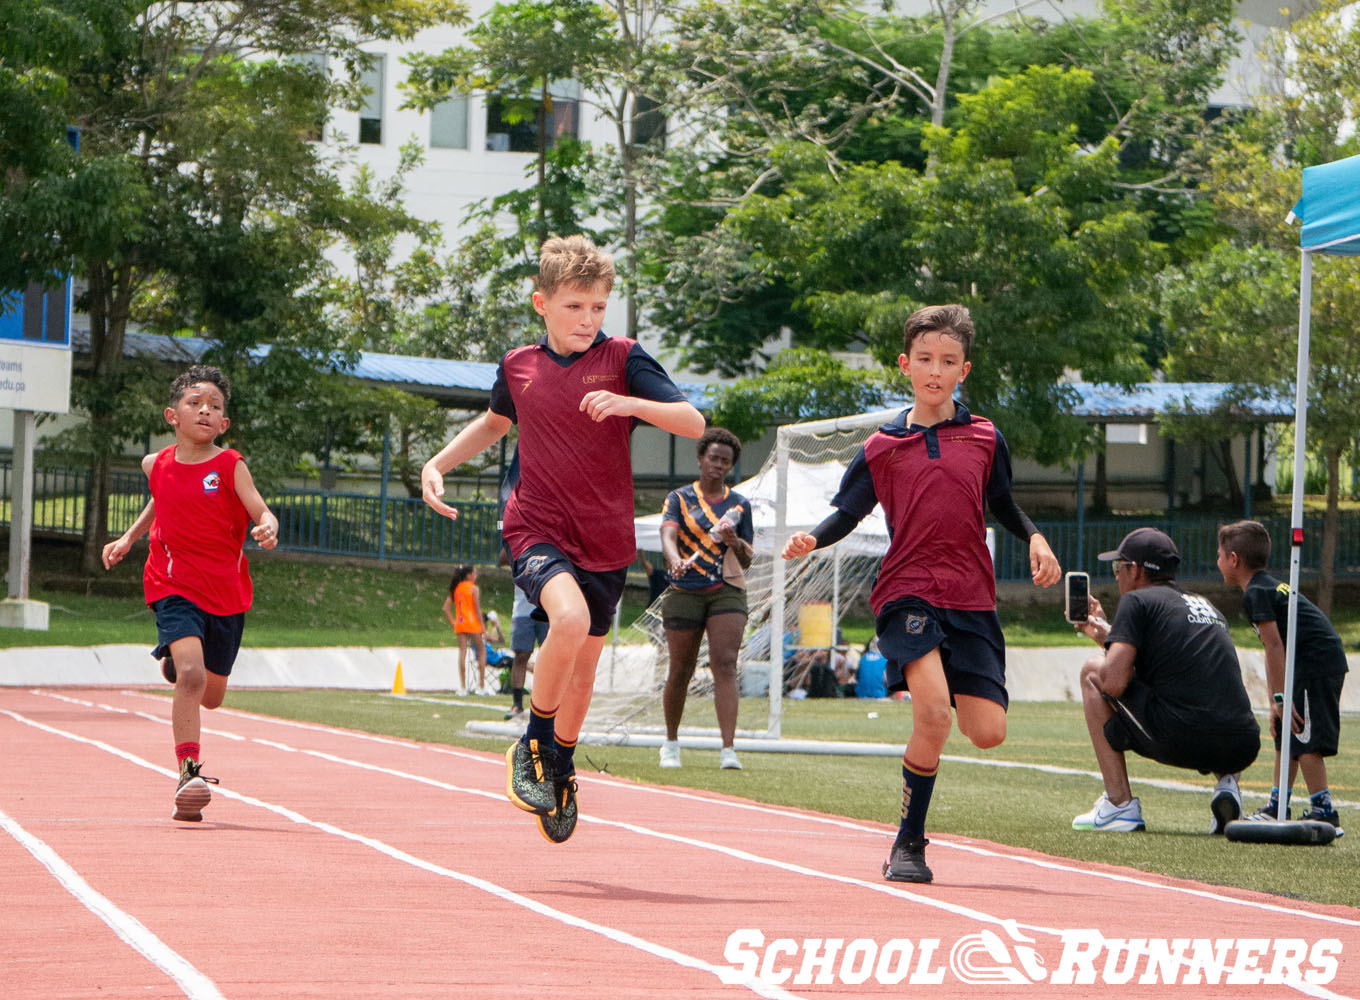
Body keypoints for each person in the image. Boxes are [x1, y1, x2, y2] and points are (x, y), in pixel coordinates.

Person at [421, 235, 705, 844]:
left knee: (582, 671)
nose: (588, 320)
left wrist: (629, 401)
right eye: (575, 307)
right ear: (541, 303)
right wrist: (438, 463)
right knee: (567, 622)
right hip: (536, 524)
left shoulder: (625, 358)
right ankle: (532, 745)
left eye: (599, 308)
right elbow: (497, 422)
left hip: (604, 537)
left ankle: (561, 769)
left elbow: (693, 421)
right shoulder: (518, 365)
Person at [782, 304, 1061, 884]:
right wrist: (813, 538)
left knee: (987, 733)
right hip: (907, 591)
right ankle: (909, 843)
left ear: (966, 370)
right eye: (926, 360)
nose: (936, 371)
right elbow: (846, 512)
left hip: (972, 598)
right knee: (932, 714)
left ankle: (951, 681)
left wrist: (1036, 539)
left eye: (949, 361)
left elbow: (1004, 503)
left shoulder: (985, 436)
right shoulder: (881, 447)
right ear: (905, 366)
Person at [101, 365, 279, 822]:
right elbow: (162, 496)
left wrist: (267, 523)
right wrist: (128, 539)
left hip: (226, 590)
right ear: (171, 415)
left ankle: (176, 663)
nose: (205, 409)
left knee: (212, 694)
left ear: (224, 424)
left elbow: (258, 506)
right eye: (195, 402)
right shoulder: (154, 464)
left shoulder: (230, 465)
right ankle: (188, 773)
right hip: (172, 583)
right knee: (193, 678)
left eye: (215, 406)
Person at [1072, 526, 1261, 835]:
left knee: (1093, 672)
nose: (1117, 575)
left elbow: (1114, 682)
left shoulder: (1137, 602)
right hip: (1242, 745)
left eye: (1119, 566)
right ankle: (1228, 785)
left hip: (1182, 736)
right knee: (1211, 689)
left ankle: (1120, 807)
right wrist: (1107, 633)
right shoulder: (1206, 606)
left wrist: (1110, 646)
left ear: (1137, 570)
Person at [1217, 520, 1346, 831]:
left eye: (1219, 555)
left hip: (1315, 664)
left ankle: (1323, 809)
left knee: (1304, 736)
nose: (1216, 562)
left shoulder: (1256, 594)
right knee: (1287, 733)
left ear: (1234, 559)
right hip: (1307, 662)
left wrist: (1282, 698)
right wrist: (1277, 702)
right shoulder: (1262, 588)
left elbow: (1275, 645)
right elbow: (1271, 648)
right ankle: (1278, 805)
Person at [658, 427, 755, 770]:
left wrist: (733, 541)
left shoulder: (739, 506)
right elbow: (668, 534)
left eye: (725, 461)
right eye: (713, 458)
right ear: (700, 459)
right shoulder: (679, 498)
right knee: (680, 668)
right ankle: (670, 743)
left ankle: (728, 749)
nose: (717, 465)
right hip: (685, 590)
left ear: (731, 467)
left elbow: (747, 557)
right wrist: (673, 559)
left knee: (725, 664)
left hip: (726, 589)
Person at [505, 582, 547, 720]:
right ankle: (517, 704)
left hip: (547, 611)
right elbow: (503, 560)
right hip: (522, 612)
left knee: (551, 656)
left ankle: (551, 705)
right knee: (521, 655)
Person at [443, 564, 487, 695]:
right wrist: (482, 625)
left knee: (462, 653)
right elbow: (477, 608)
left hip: (461, 624)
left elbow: (445, 608)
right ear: (469, 575)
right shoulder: (474, 589)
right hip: (472, 623)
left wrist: (454, 623)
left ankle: (462, 686)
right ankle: (481, 686)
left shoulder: (456, 589)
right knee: (481, 651)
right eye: (475, 573)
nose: (476, 575)